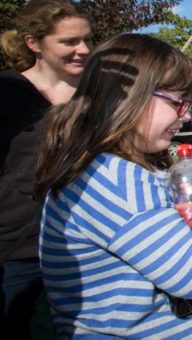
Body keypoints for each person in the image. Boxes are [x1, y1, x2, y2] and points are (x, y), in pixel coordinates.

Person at [33, 33, 192, 338]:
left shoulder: (114, 170)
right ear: (127, 98)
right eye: (177, 101)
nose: (186, 115)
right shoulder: (115, 181)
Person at [0, 1, 91, 337]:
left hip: (82, 243)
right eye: (69, 41)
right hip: (19, 251)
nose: (82, 49)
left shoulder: (93, 97)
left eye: (86, 39)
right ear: (33, 43)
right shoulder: (7, 93)